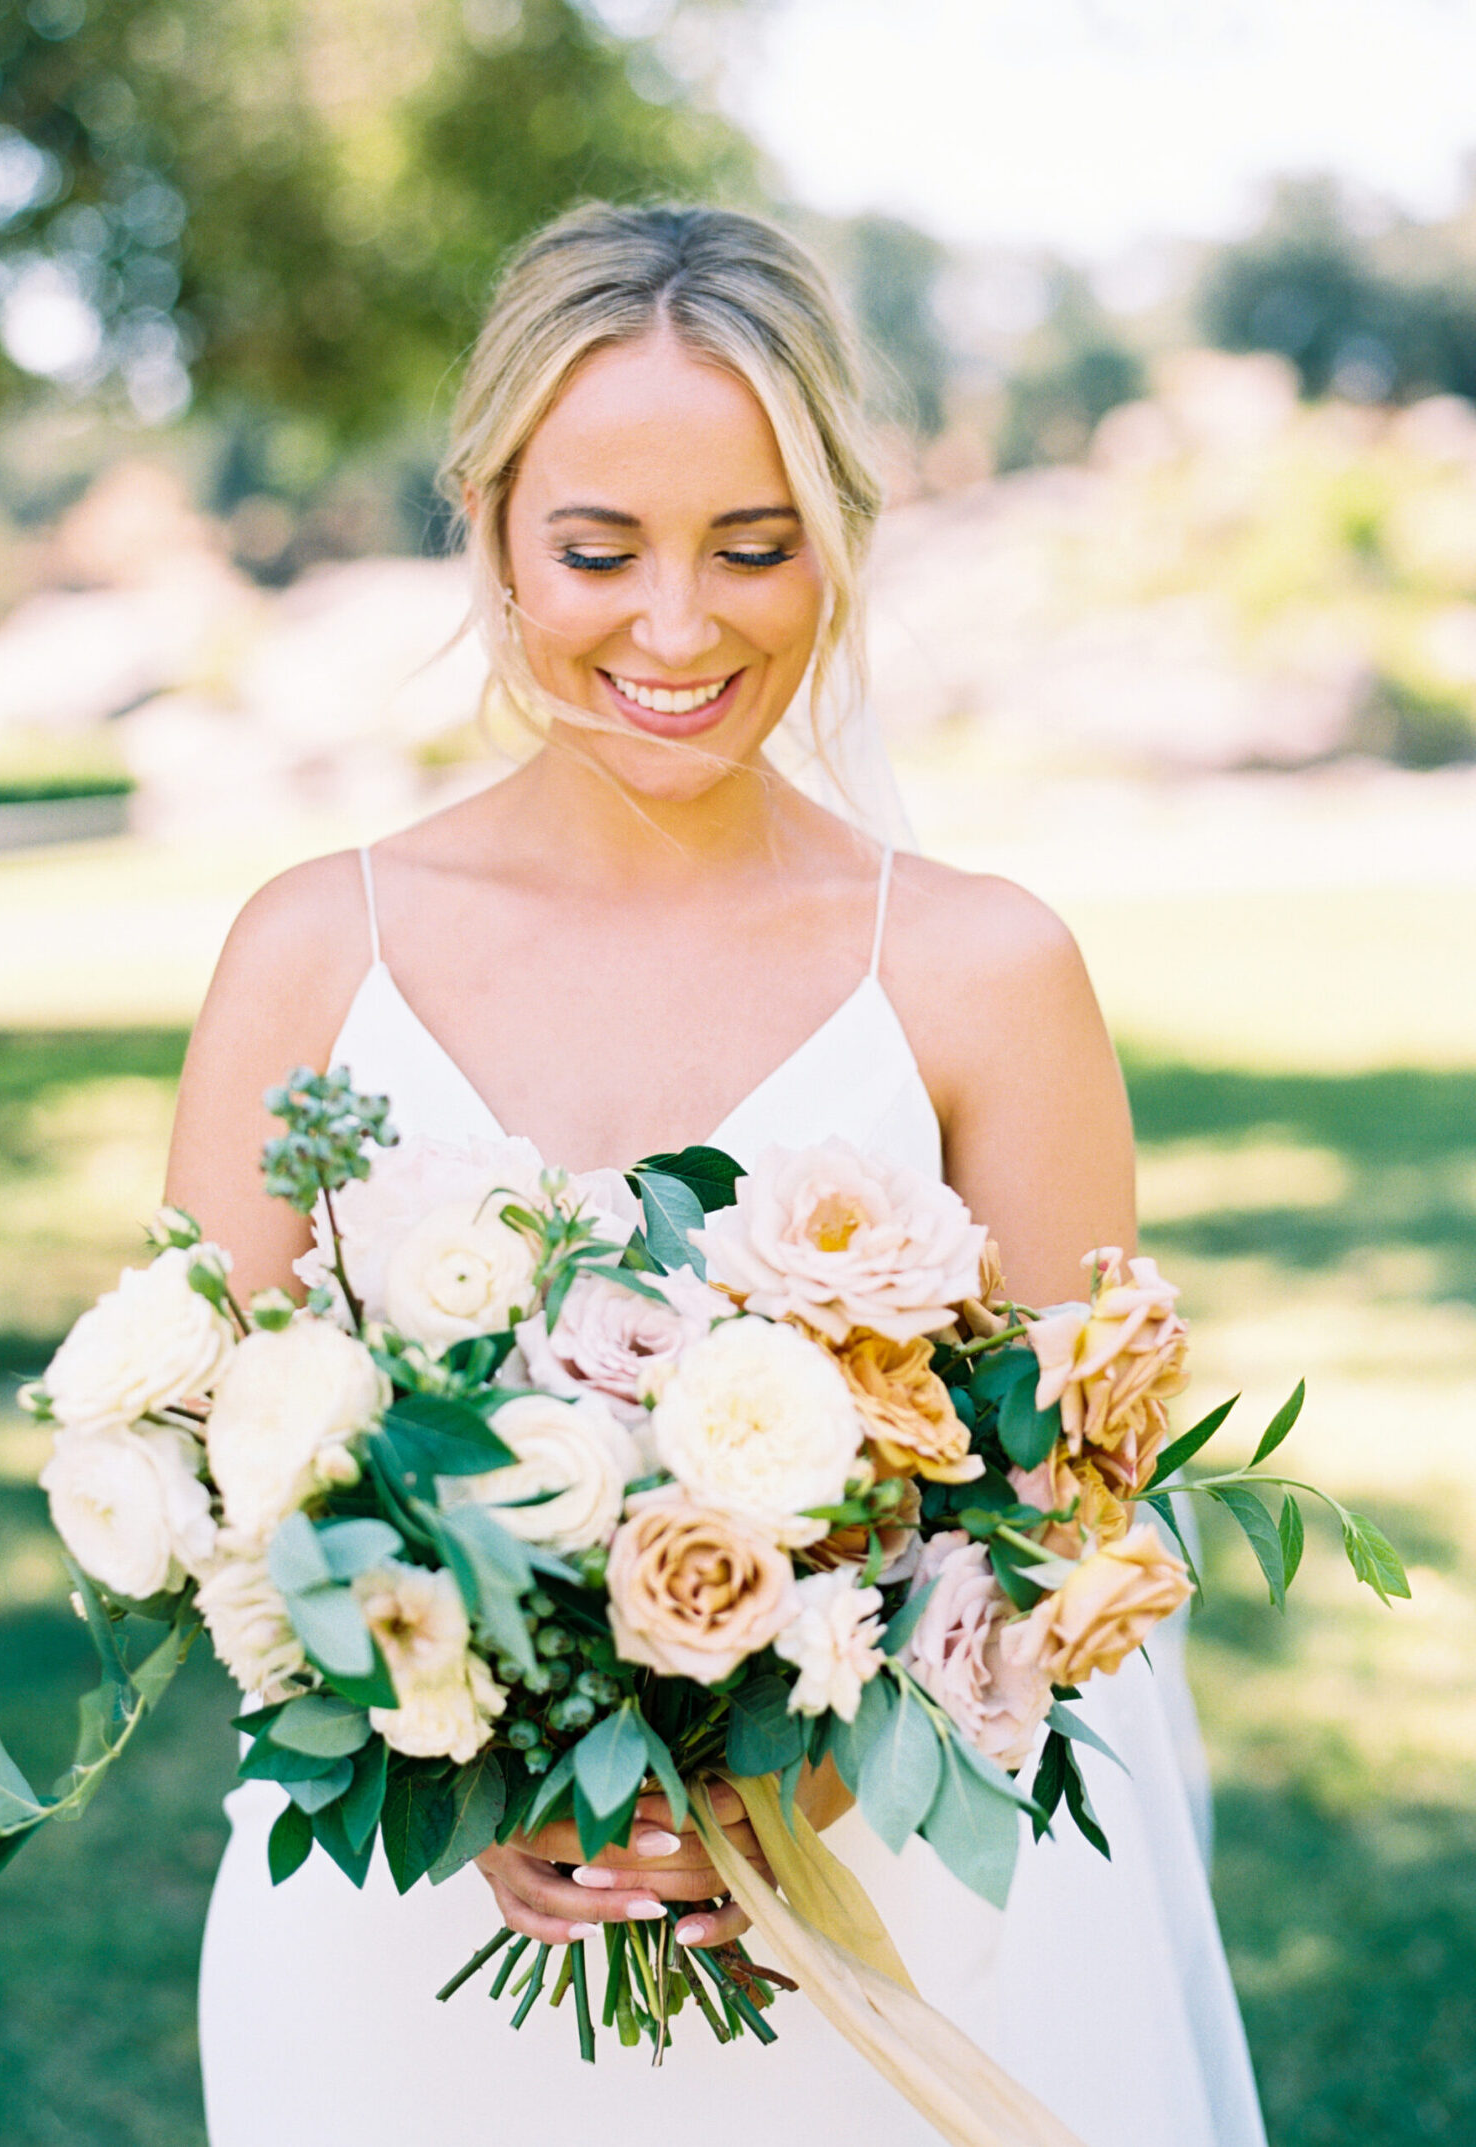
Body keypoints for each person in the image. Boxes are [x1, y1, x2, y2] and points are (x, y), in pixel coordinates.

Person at [171, 202, 1267, 2146]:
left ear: (835, 543)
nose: (673, 628)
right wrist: (458, 1755)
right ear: (492, 524)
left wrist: (788, 1788)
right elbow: (196, 1473)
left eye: (750, 549)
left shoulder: (978, 973)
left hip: (874, 1938)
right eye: (597, 550)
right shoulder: (305, 956)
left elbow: (1074, 1514)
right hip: (394, 1950)